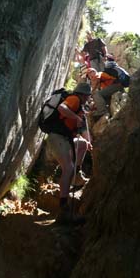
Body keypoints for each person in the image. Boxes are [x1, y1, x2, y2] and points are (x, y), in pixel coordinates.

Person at [46, 82, 93, 224]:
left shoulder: (80, 108)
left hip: (63, 139)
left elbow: (85, 132)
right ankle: (63, 207)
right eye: (88, 96)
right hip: (57, 137)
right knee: (68, 167)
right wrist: (76, 118)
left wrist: (89, 142)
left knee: (83, 145)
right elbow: (62, 108)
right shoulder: (75, 99)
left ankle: (76, 173)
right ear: (83, 95)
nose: (88, 99)